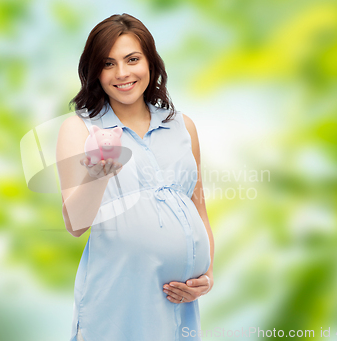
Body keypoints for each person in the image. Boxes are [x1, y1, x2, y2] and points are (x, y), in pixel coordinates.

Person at [56, 13, 215, 341]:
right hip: (118, 303)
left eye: (132, 59)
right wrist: (98, 174)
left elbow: (198, 209)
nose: (123, 73)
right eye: (108, 63)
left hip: (178, 305)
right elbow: (75, 224)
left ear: (151, 63)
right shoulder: (80, 129)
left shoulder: (183, 127)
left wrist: (207, 275)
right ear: (94, 71)